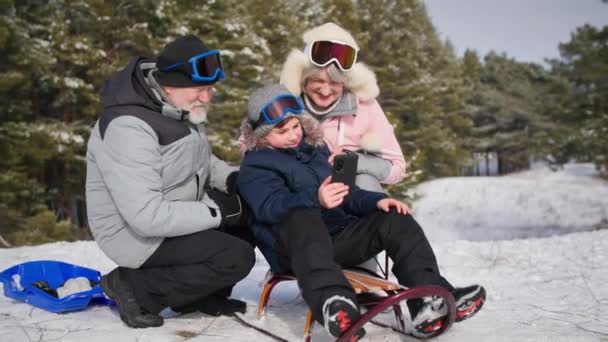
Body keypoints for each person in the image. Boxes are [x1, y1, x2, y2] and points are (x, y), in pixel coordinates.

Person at [237, 84, 486, 339]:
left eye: (295, 126)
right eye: (282, 131)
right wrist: (316, 198)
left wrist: (377, 202)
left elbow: (346, 193)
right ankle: (335, 305)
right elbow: (270, 207)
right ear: (262, 135)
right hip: (295, 249)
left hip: (337, 238)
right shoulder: (255, 168)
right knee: (300, 214)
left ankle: (428, 299)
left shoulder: (314, 151)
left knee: (394, 218)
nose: (293, 135)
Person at [86, 35, 255, 328]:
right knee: (235, 256)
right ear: (168, 83)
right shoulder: (129, 127)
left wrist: (234, 179)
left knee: (249, 213)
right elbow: (145, 216)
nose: (207, 97)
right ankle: (134, 287)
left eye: (210, 89)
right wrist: (216, 213)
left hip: (173, 211)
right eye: (200, 89)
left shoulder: (174, 107)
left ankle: (199, 295)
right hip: (132, 231)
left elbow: (201, 160)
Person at [279, 22, 406, 193]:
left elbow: (397, 168)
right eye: (319, 81)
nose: (325, 90)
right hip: (296, 196)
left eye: (334, 83)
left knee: (365, 180)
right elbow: (249, 147)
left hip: (349, 198)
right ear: (304, 80)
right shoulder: (282, 103)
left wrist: (353, 161)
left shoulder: (365, 107)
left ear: (344, 84)